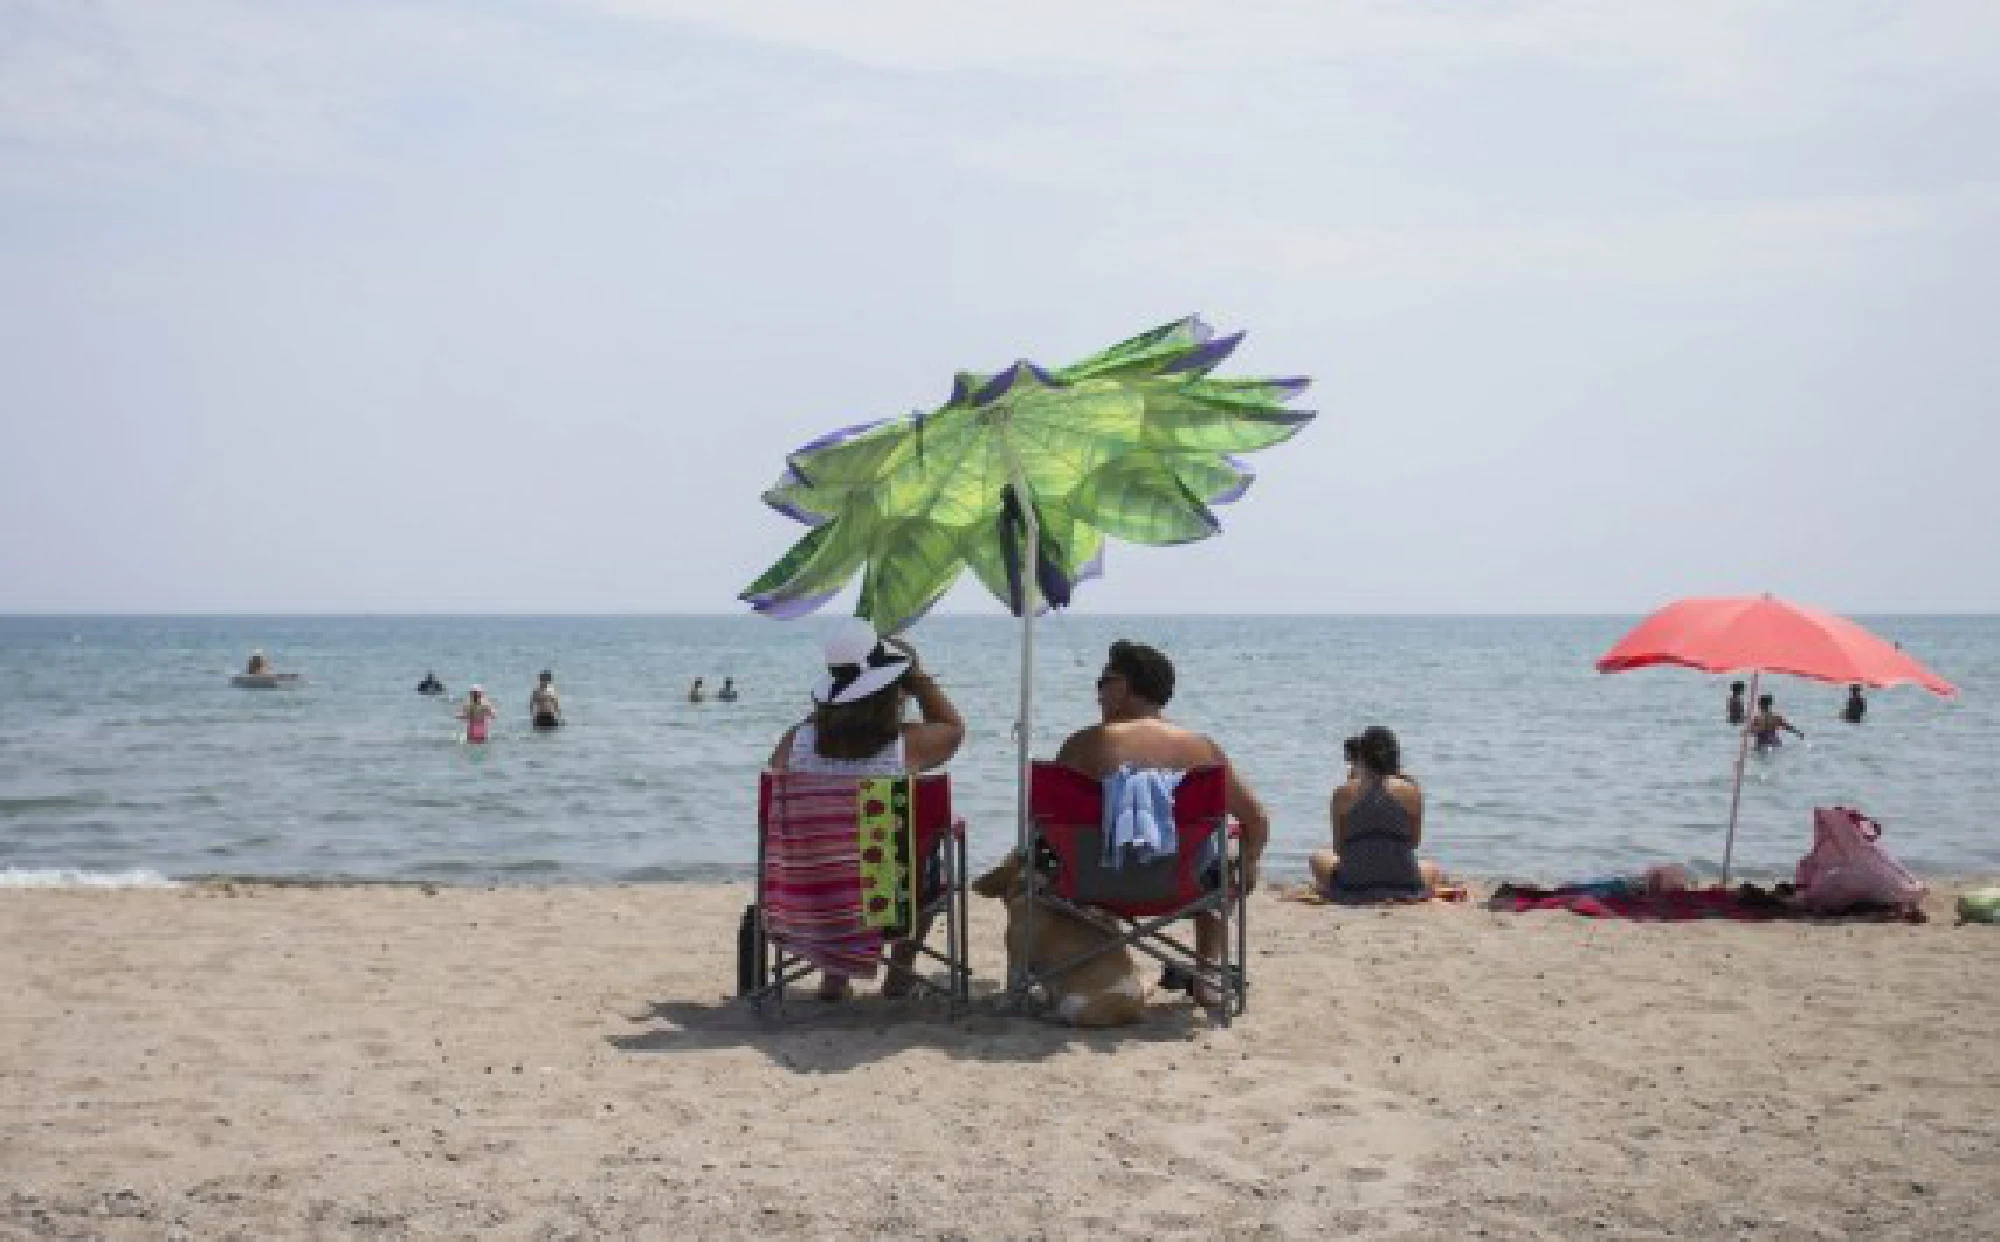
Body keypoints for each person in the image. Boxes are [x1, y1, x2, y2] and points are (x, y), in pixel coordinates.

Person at [1052, 640, 1270, 1005]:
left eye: (1102, 683)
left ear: (1122, 688)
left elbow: (1046, 824)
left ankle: (1080, 969)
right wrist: (1248, 861)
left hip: (1089, 888)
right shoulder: (1202, 751)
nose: (1098, 694)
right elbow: (1257, 820)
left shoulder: (1081, 746)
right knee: (1225, 861)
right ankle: (1206, 973)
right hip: (1183, 890)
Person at [766, 620, 965, 1001]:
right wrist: (919, 678)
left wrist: (824, 715)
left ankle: (833, 977)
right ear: (894, 688)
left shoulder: (794, 743)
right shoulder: (905, 747)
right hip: (885, 907)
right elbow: (953, 728)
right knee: (921, 857)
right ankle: (900, 973)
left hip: (809, 900)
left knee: (829, 846)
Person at [1309, 727, 1442, 903]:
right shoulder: (1412, 791)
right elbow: (1414, 842)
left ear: (1361, 757)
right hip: (1403, 881)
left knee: (1317, 857)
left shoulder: (1342, 793)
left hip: (1354, 883)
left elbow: (1339, 848)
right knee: (1431, 867)